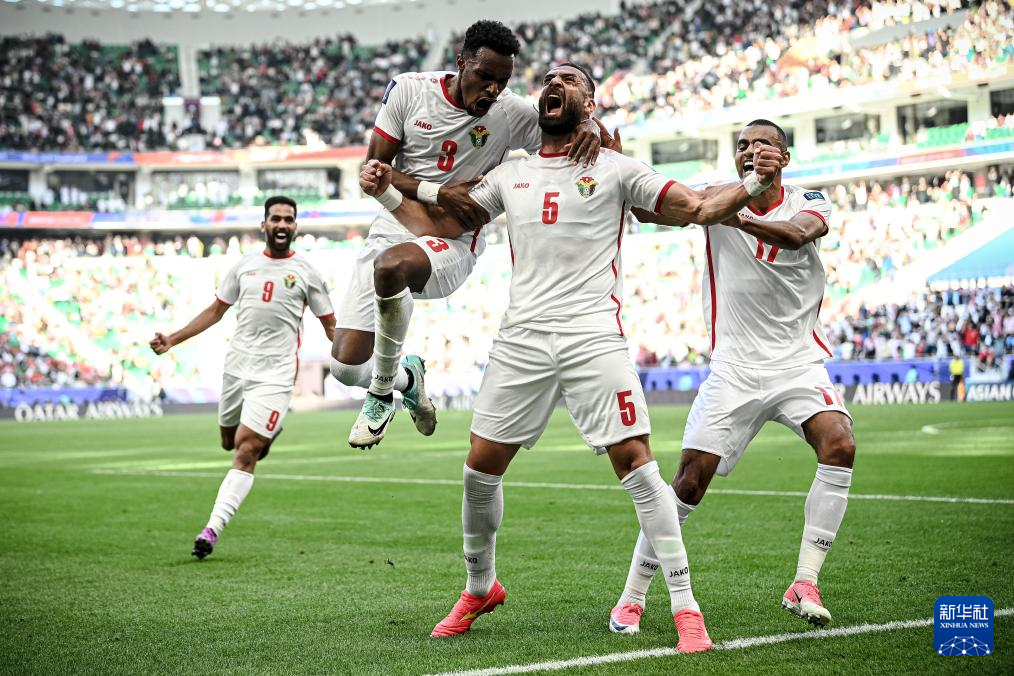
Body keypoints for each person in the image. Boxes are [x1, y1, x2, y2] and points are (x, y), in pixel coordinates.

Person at [359, 63, 783, 652]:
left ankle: (686, 606)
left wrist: (757, 185)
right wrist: (387, 189)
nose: (554, 84)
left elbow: (695, 208)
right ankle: (480, 587)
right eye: (549, 80)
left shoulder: (616, 167)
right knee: (479, 471)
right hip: (522, 338)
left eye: (571, 80)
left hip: (591, 336)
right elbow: (442, 224)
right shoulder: (511, 172)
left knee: (638, 465)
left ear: (590, 102)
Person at [611, 120, 857, 633]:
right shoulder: (713, 196)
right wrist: (622, 168)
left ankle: (805, 581)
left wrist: (732, 213)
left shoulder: (810, 200)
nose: (750, 150)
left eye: (762, 143)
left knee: (840, 443)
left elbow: (797, 236)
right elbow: (646, 210)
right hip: (734, 369)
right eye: (742, 145)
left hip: (797, 363)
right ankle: (632, 597)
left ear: (783, 157)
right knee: (688, 482)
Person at [332, 20, 601, 449]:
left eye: (502, 81)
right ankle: (407, 379)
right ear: (461, 62)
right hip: (394, 222)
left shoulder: (509, 113)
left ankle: (380, 395)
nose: (493, 89)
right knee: (345, 367)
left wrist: (590, 127)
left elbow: (566, 132)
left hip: (455, 240)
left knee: (394, 266)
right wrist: (435, 191)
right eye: (485, 76)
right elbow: (376, 170)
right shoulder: (409, 91)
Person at [150, 196, 335, 559]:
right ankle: (269, 432)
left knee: (245, 450)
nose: (282, 225)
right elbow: (216, 310)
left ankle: (211, 530)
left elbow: (330, 325)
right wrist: (173, 338)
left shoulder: (308, 272)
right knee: (228, 442)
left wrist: (362, 358)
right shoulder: (244, 266)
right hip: (237, 367)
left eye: (289, 220)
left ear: (295, 227)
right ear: (264, 225)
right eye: (276, 219)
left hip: (276, 374)